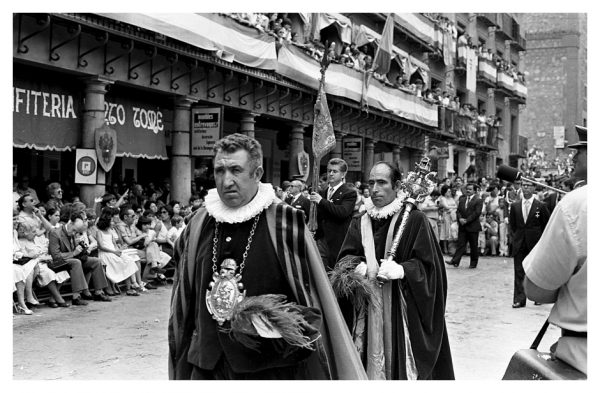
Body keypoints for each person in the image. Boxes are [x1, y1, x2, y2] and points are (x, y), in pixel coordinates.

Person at [168, 133, 366, 380]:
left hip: (267, 368)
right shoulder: (198, 223)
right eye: (219, 170)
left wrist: (271, 321)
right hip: (206, 364)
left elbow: (313, 307)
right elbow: (183, 300)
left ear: (257, 173)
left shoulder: (286, 223)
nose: (226, 180)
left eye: (236, 170)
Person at [335, 162, 454, 379]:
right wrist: (357, 267)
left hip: (400, 313)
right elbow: (344, 258)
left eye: (382, 182)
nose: (374, 188)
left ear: (397, 185)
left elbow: (430, 268)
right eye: (371, 183)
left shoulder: (415, 220)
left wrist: (403, 270)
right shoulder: (361, 219)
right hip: (366, 309)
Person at [523, 125, 587, 375]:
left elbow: (536, 286)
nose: (572, 157)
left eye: (579, 151)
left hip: (583, 358)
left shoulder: (574, 203)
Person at [48, 211, 112, 305]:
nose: (74, 233)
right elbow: (56, 256)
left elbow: (77, 251)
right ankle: (76, 297)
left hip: (72, 260)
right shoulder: (55, 233)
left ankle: (99, 292)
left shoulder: (74, 233)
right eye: (74, 230)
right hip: (58, 262)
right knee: (76, 262)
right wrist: (73, 253)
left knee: (96, 261)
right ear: (70, 223)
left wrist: (83, 249)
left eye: (76, 231)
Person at [309, 158, 357, 269]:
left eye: (335, 171)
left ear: (343, 174)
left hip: (338, 240)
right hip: (321, 238)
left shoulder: (349, 192)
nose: (330, 174)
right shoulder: (323, 192)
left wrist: (321, 201)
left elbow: (342, 212)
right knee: (320, 271)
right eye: (329, 171)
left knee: (334, 273)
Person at [508, 182, 550, 308]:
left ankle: (538, 297)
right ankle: (519, 299)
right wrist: (515, 238)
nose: (526, 188)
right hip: (520, 241)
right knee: (519, 270)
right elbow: (513, 225)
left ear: (533, 188)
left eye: (529, 185)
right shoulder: (515, 206)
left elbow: (546, 225)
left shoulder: (540, 206)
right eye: (524, 185)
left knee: (535, 270)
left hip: (535, 242)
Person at [446, 183, 483, 268]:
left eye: (470, 189)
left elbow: (477, 213)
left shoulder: (478, 200)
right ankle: (455, 261)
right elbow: (458, 211)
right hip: (463, 226)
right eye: (467, 189)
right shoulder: (462, 199)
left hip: (472, 226)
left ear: (474, 190)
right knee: (461, 244)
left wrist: (467, 220)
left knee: (473, 245)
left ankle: (473, 263)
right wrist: (460, 219)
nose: (468, 191)